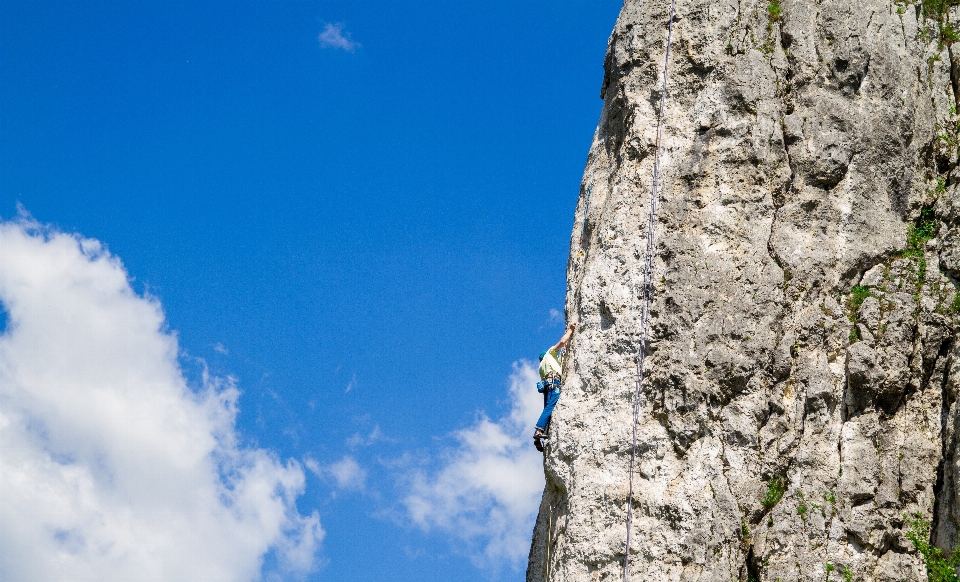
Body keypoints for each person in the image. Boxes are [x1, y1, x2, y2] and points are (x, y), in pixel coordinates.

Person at [533, 322, 577, 452]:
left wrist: (563, 354)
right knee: (550, 408)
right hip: (554, 384)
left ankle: (543, 433)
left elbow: (558, 363)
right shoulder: (550, 353)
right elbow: (562, 342)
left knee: (548, 409)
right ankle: (538, 431)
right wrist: (570, 330)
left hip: (547, 386)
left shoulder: (541, 367)